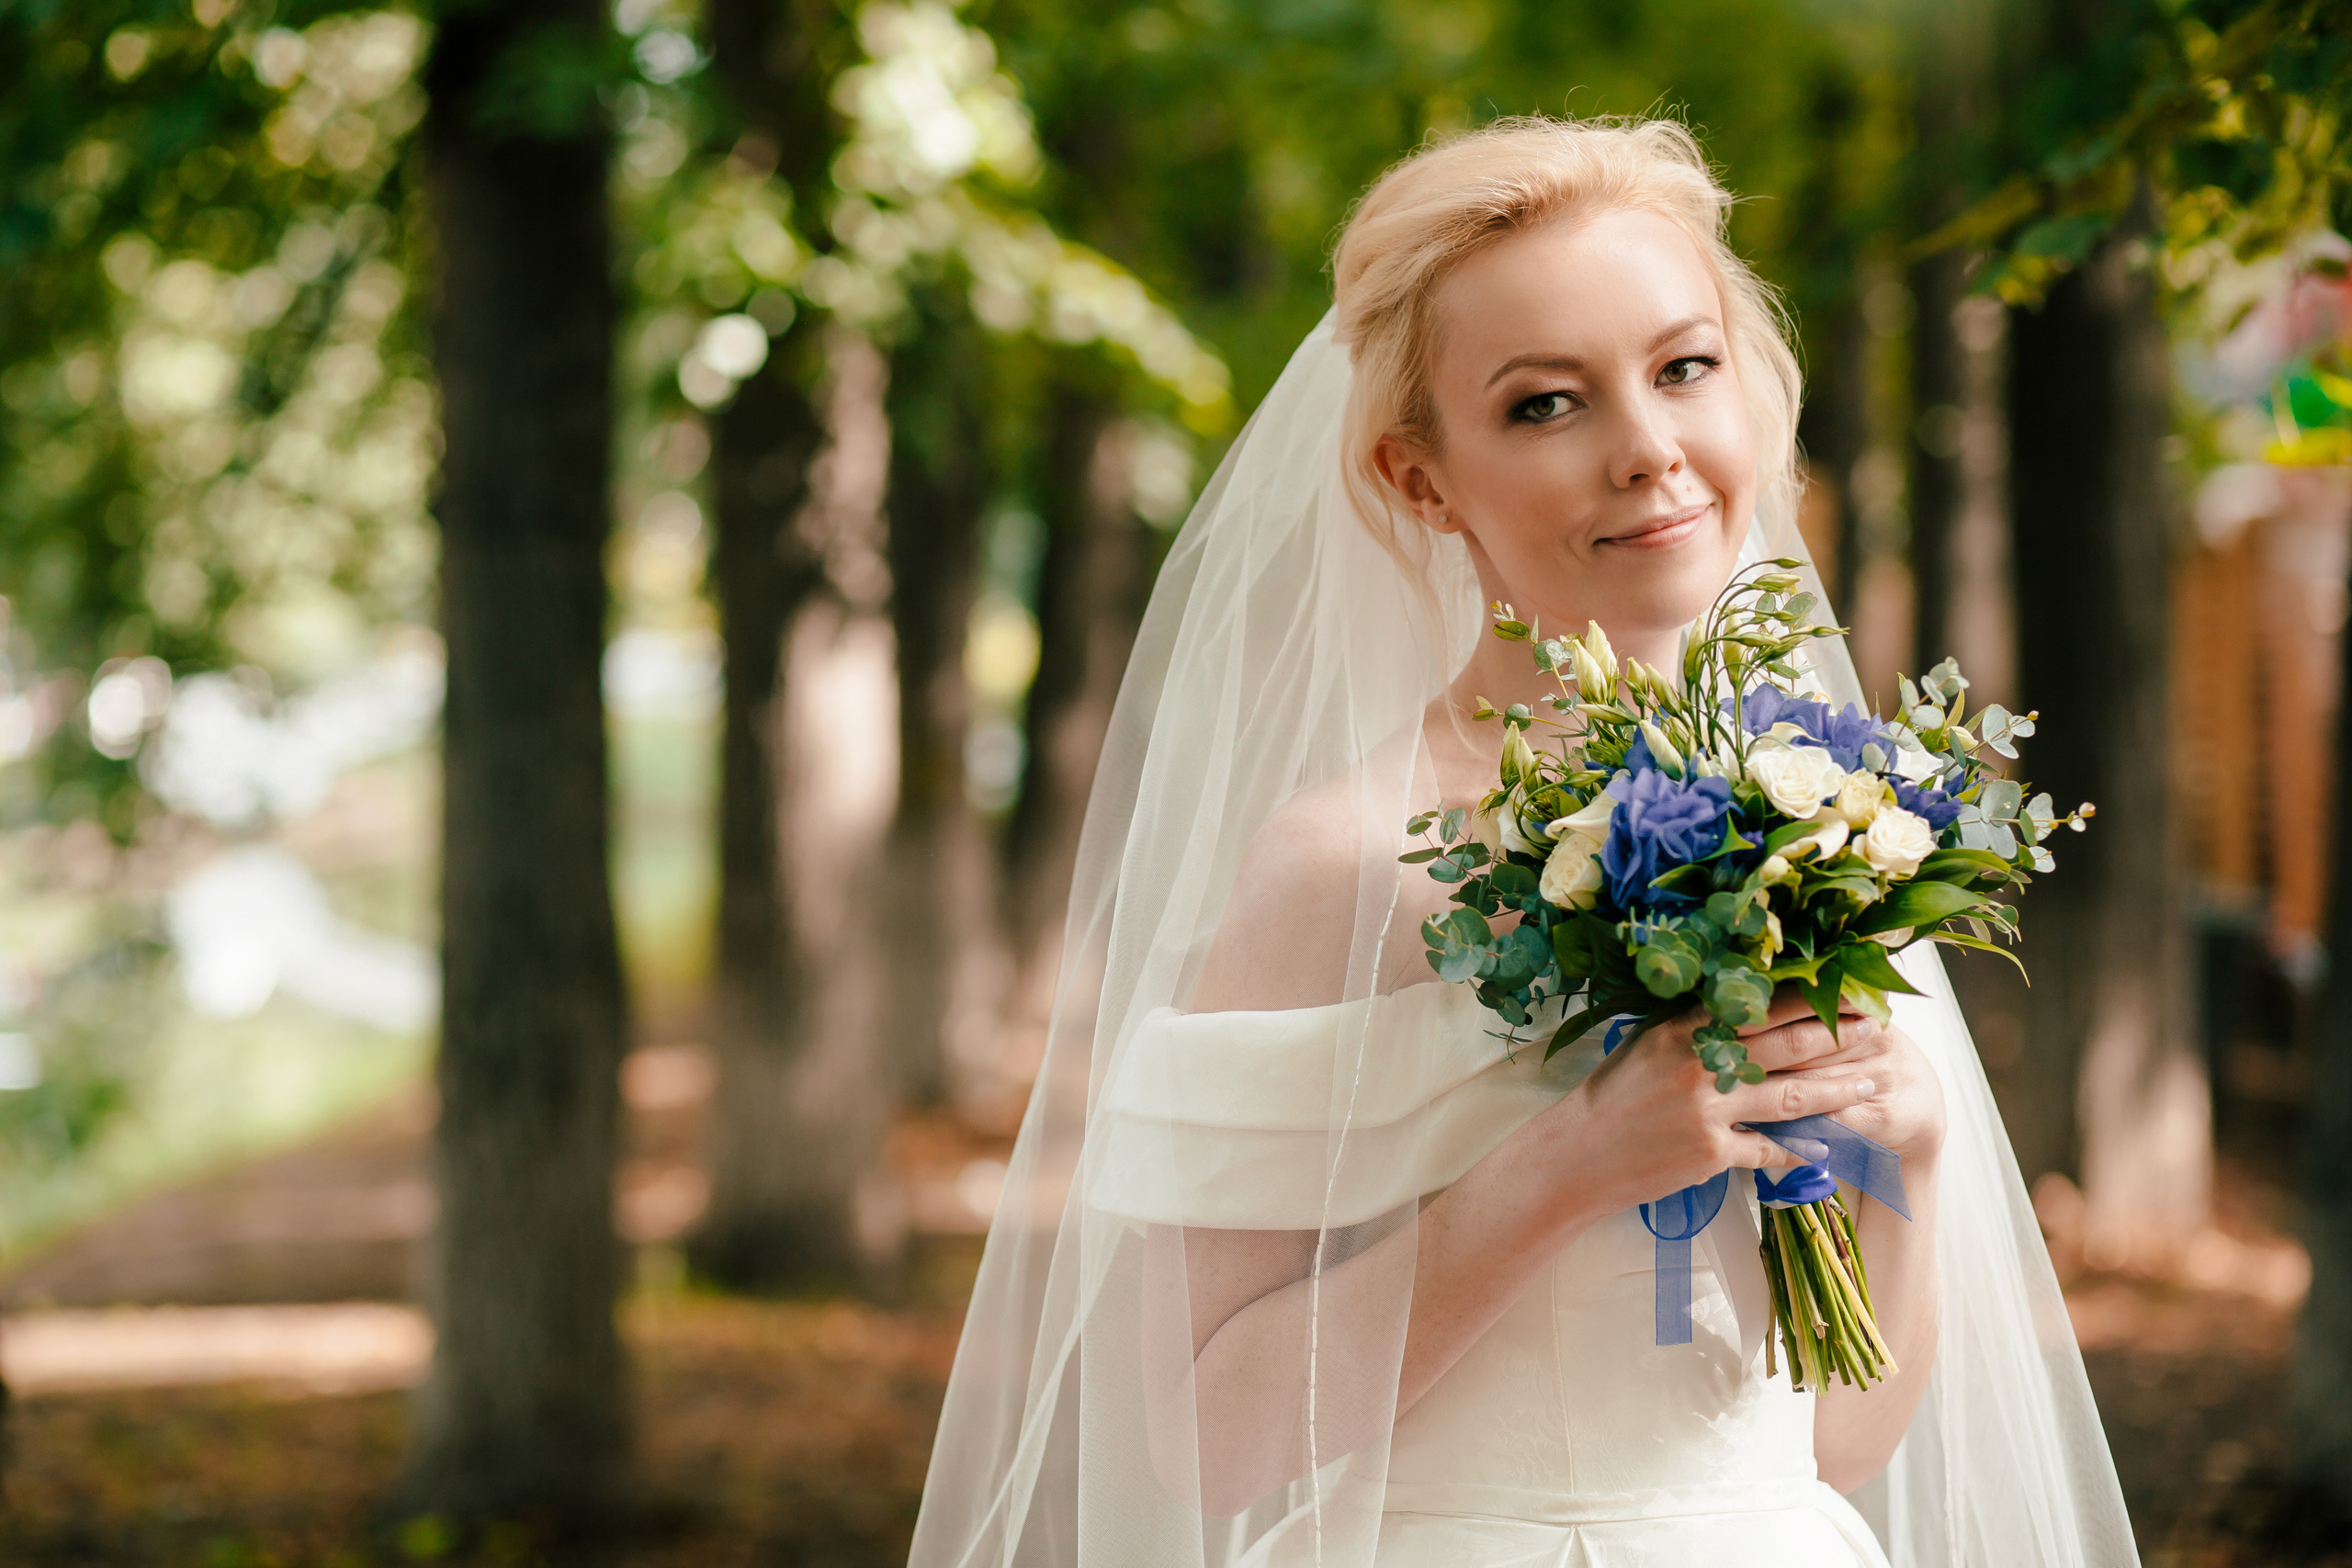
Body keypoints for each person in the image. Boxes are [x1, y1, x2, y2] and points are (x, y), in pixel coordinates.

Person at [910, 115, 2139, 1568]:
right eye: (1547, 405)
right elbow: (1195, 1437)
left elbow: (1834, 1441)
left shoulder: (1828, 819)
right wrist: (1562, 1168)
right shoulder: (1347, 861)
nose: (1650, 452)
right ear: (1424, 481)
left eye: (1684, 369)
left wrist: (1910, 1161)